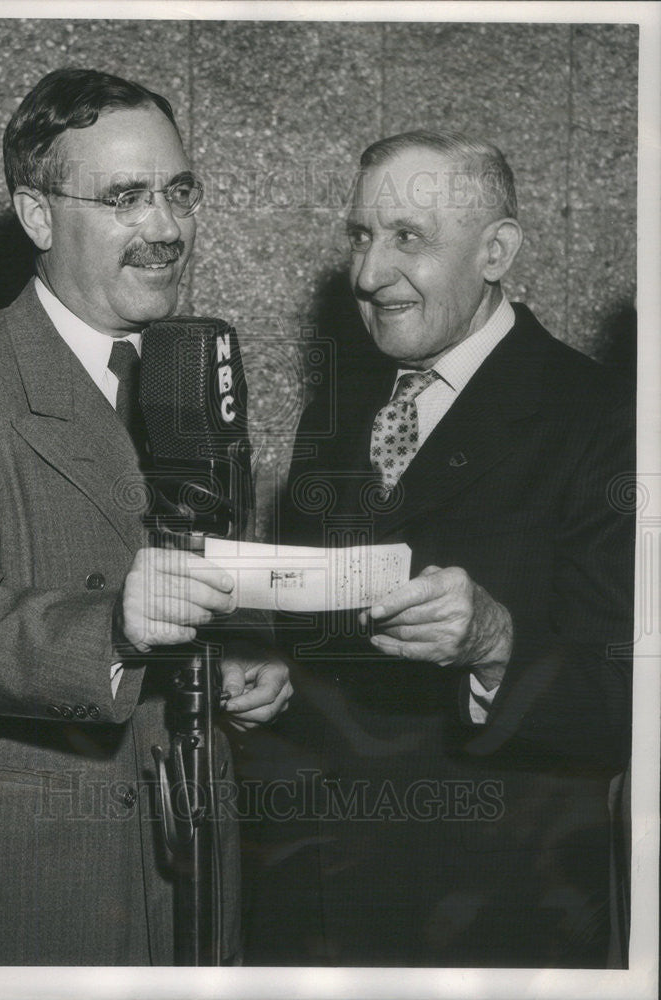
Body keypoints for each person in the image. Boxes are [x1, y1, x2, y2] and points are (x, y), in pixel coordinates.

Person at [0, 67, 291, 966]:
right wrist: (111, 629)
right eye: (125, 197)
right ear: (37, 215)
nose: (166, 227)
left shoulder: (197, 368)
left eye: (179, 191)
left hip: (191, 861)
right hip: (21, 879)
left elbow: (211, 573)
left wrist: (246, 651)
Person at [242, 129, 634, 968]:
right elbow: (315, 632)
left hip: (498, 915)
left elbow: (627, 703)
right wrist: (274, 670)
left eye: (407, 238)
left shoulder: (607, 419)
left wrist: (496, 645)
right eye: (361, 235)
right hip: (313, 900)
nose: (367, 273)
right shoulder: (337, 413)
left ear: (497, 251)